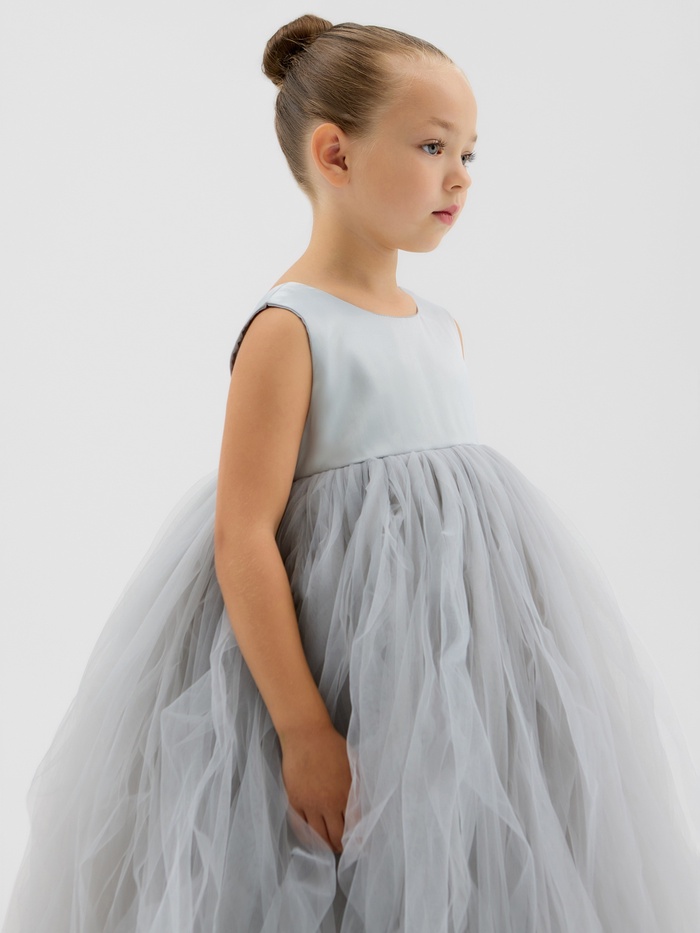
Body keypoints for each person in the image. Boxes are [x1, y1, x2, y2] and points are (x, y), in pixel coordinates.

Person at [3, 12, 699, 933]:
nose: (461, 175)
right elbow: (243, 534)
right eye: (432, 146)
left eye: (469, 153)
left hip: (455, 672)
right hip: (333, 662)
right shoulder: (290, 329)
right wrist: (303, 728)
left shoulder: (441, 330)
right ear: (335, 154)